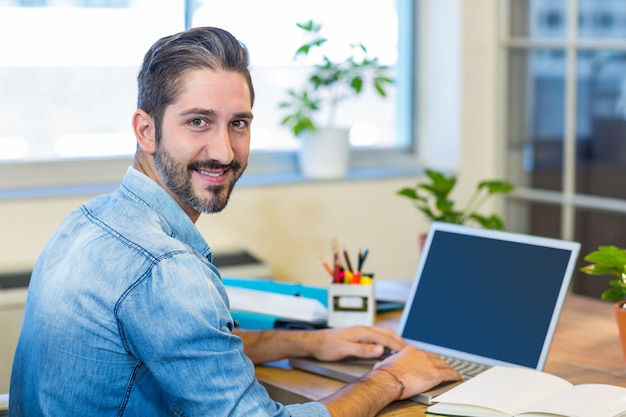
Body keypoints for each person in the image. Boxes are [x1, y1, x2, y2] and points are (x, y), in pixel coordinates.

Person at [8, 27, 460, 417]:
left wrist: (311, 343)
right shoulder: (165, 269)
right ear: (146, 130)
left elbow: (187, 346)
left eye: (238, 123)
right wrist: (390, 381)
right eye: (199, 121)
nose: (224, 152)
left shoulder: (88, 221)